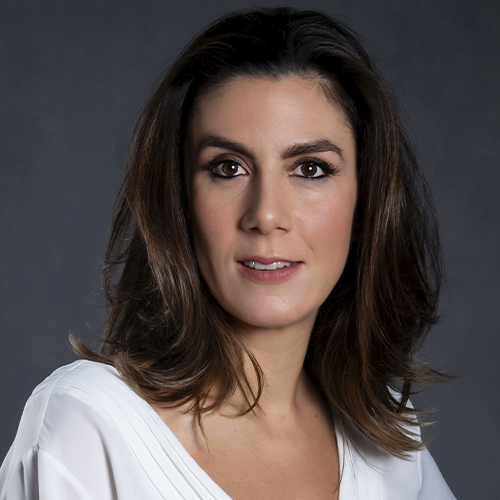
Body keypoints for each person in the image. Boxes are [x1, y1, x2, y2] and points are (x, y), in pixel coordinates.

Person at [0, 7, 456, 499]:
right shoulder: (87, 427)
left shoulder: (389, 443)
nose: (266, 214)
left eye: (310, 169)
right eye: (228, 168)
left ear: (366, 203)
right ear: (178, 199)